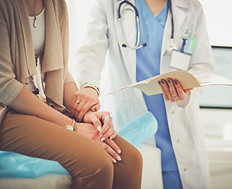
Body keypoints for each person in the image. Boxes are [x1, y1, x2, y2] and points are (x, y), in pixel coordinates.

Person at [0, 0, 143, 189]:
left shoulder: (55, 4)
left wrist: (83, 111)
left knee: (130, 160)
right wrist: (72, 126)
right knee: (96, 162)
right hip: (5, 111)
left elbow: (60, 69)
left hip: (36, 102)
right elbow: (4, 86)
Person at [73, 0, 214, 188]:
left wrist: (188, 89)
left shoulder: (190, 6)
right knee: (139, 174)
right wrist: (89, 86)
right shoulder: (110, 3)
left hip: (179, 130)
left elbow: (203, 66)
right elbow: (90, 50)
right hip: (132, 121)